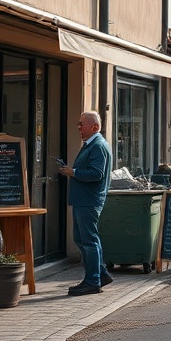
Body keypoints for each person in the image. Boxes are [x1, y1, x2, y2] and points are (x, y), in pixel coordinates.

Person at [59, 111, 113, 296]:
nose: (79, 128)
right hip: (84, 199)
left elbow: (96, 174)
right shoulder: (92, 144)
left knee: (88, 240)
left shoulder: (97, 146)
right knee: (81, 238)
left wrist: (73, 172)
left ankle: (92, 281)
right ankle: (100, 274)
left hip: (89, 200)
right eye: (79, 124)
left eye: (82, 124)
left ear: (95, 127)